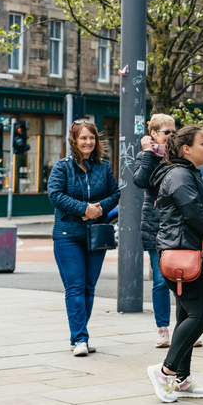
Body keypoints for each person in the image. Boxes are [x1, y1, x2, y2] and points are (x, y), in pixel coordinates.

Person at [147, 125, 203, 403]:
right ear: (186, 149)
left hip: (193, 251)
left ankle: (181, 379)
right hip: (183, 253)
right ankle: (164, 372)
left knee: (187, 315)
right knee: (200, 314)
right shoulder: (180, 174)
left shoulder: (189, 173)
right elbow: (194, 213)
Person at [48, 119, 120, 357]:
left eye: (91, 138)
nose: (88, 142)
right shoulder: (62, 167)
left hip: (96, 234)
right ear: (74, 141)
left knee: (89, 288)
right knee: (75, 288)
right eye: (83, 138)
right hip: (68, 235)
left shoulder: (104, 167)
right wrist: (83, 209)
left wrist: (98, 208)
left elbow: (115, 193)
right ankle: (80, 338)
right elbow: (55, 195)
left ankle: (78, 335)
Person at [133, 114, 176, 348]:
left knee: (183, 279)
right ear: (154, 134)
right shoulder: (145, 156)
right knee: (160, 281)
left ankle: (187, 327)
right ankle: (162, 329)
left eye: (173, 131)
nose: (171, 136)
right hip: (155, 225)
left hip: (178, 224)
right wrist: (149, 152)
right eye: (167, 132)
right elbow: (140, 181)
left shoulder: (180, 155)